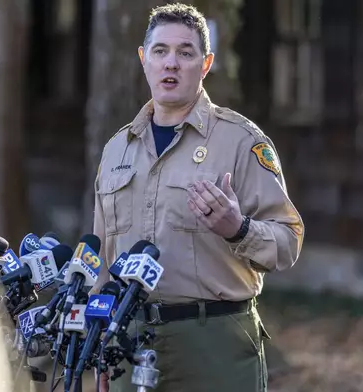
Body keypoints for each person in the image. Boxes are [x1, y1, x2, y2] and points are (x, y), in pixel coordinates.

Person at [91, 3, 304, 392]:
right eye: (160, 51)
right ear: (144, 59)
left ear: (205, 64)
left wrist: (237, 229)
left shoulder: (240, 141)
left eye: (185, 53)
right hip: (128, 340)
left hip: (213, 345)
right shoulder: (116, 149)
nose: (171, 63)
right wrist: (100, 339)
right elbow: (104, 255)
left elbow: (287, 243)